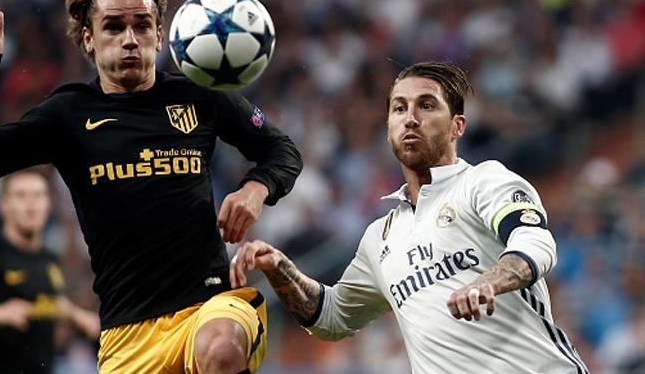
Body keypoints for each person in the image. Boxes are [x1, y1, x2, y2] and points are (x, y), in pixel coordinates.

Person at [0, 0, 302, 374]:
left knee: (222, 349)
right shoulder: (68, 113)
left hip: (207, 305)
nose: (129, 39)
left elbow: (282, 150)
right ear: (89, 38)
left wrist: (255, 189)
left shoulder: (197, 95)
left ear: (160, 34)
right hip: (127, 333)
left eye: (142, 25)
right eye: (114, 27)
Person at [231, 61, 589, 373]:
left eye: (427, 105)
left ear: (457, 126)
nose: (411, 118)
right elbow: (332, 317)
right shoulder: (380, 237)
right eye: (399, 108)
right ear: (388, 126)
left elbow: (536, 242)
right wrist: (279, 266)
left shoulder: (484, 181)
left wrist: (489, 283)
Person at [0, 169, 100, 374]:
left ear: (48, 204)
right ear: (4, 206)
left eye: (38, 195)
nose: (31, 204)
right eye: (21, 196)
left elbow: (47, 303)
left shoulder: (49, 259)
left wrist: (78, 317)